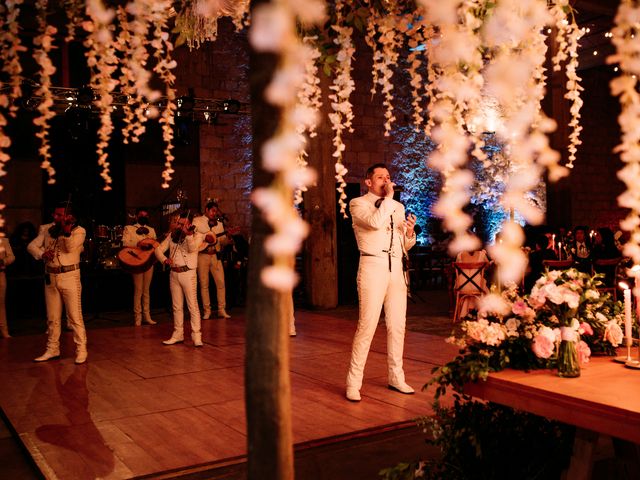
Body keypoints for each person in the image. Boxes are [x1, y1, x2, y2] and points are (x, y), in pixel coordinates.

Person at [345, 163, 417, 402]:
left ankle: (396, 377)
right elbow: (375, 223)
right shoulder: (358, 204)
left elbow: (404, 246)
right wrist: (388, 200)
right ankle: (353, 383)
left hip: (397, 268)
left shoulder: (398, 207)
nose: (386, 180)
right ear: (369, 182)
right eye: (380, 177)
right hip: (372, 267)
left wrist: (409, 233)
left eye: (388, 177)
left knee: (397, 326)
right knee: (366, 326)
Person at [27, 201, 88, 364]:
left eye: (59, 215)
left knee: (75, 316)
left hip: (70, 276)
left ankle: (81, 349)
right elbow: (31, 246)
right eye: (55, 214)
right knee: (52, 318)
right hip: (51, 277)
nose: (55, 217)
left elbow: (69, 248)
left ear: (69, 217)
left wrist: (66, 232)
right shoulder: (48, 230)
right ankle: (52, 349)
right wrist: (42, 254)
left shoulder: (79, 231)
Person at [155, 211, 204, 346]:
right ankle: (178, 334)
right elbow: (158, 250)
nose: (179, 226)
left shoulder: (197, 235)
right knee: (176, 307)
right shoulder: (173, 235)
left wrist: (188, 235)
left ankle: (196, 335)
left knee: (192, 305)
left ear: (189, 224)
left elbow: (192, 248)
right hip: (174, 273)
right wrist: (165, 260)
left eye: (183, 224)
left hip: (188, 273)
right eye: (178, 223)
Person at [193, 200, 231, 319]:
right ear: (206, 210)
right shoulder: (197, 221)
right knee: (204, 284)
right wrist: (205, 238)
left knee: (221, 283)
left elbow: (222, 241)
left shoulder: (219, 224)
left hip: (215, 255)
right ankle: (207, 311)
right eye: (212, 211)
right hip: (202, 255)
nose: (214, 213)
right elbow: (193, 236)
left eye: (216, 211)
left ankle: (221, 309)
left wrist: (227, 239)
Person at [122, 208, 157, 326]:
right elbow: (125, 243)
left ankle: (147, 316)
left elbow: (155, 246)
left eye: (146, 215)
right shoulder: (129, 228)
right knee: (138, 290)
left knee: (147, 290)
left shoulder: (151, 230)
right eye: (141, 215)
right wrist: (138, 244)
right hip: (136, 261)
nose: (144, 216)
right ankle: (138, 316)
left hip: (148, 262)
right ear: (136, 217)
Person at [454, 248, 490, 318]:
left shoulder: (460, 255)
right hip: (477, 284)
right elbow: (487, 266)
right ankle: (478, 313)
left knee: (460, 289)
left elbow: (458, 267)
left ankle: (468, 312)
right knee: (485, 290)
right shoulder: (481, 254)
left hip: (462, 284)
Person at [0, 235, 15, 338]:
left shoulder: (4, 241)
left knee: (1, 304)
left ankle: (4, 331)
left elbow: (11, 257)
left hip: (0, 274)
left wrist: (3, 261)